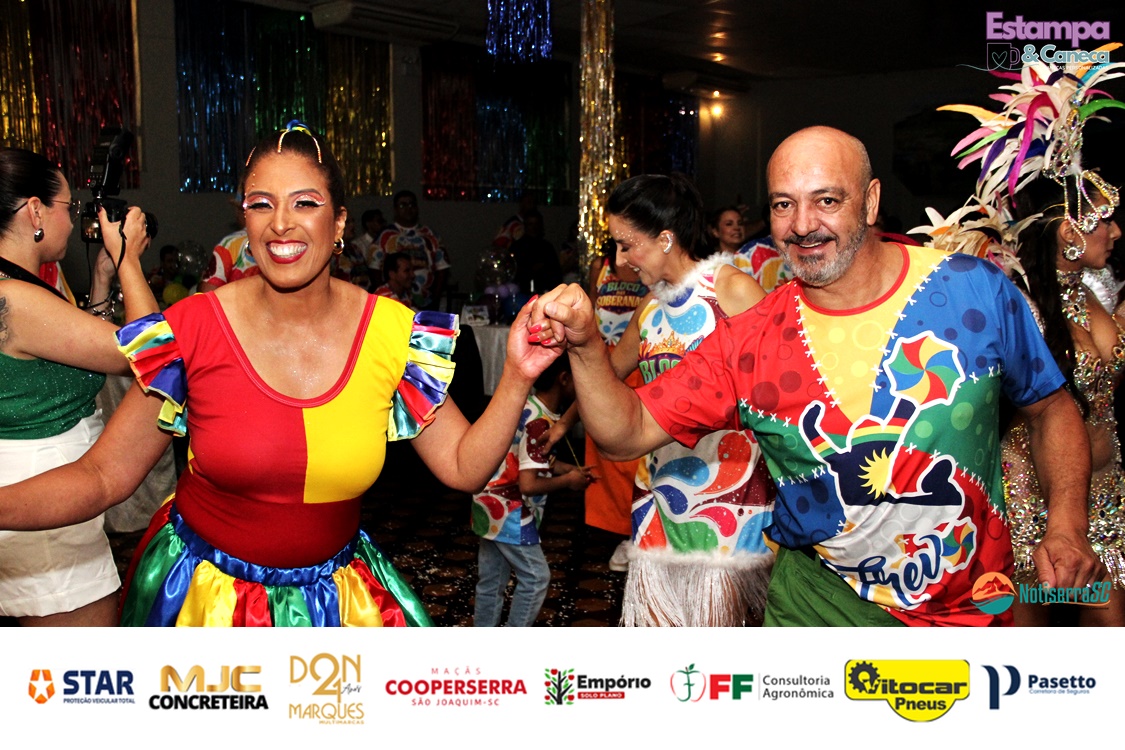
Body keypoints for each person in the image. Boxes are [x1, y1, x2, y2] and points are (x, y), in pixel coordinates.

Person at [529, 126, 1104, 626]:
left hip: (970, 612)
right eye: (783, 205)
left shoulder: (972, 291)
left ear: (871, 201)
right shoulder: (751, 338)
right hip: (815, 616)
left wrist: (1067, 523)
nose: (803, 225)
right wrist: (585, 345)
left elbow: (1050, 406)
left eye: (826, 200)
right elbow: (625, 430)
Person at [0, 123, 560, 627]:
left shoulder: (391, 331)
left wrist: (517, 374)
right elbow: (102, 476)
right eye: (261, 204)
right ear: (244, 220)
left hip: (337, 605)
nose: (281, 223)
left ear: (339, 221)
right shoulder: (193, 327)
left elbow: (463, 465)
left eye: (305, 202)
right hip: (203, 605)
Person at [915, 60, 1125, 626]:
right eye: (1104, 219)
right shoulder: (1018, 306)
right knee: (1031, 644)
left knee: (1110, 644)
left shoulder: (1100, 294)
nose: (1115, 231)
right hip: (1033, 500)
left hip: (1107, 496)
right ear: (1068, 231)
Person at [547, 173, 775, 626]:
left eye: (627, 245)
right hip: (659, 490)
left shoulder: (732, 291)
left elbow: (778, 392)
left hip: (728, 494)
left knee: (713, 648)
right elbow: (607, 374)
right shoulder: (651, 307)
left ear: (666, 238)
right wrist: (563, 421)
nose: (620, 260)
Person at [0, 146, 156, 626]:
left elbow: (68, 350)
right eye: (68, 207)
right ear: (35, 211)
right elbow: (151, 355)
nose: (73, 222)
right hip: (47, 511)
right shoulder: (16, 299)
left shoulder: (15, 288)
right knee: (81, 665)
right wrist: (128, 261)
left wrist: (102, 280)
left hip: (31, 487)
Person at [545, 238, 648, 571]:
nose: (622, 254)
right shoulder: (600, 268)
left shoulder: (650, 270)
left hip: (640, 365)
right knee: (606, 455)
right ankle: (622, 531)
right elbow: (589, 311)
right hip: (605, 362)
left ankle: (641, 531)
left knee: (637, 457)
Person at [471, 355, 589, 627]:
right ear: (564, 378)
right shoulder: (540, 422)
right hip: (509, 509)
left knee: (491, 581)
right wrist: (568, 481)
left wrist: (569, 469)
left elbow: (527, 459)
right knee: (536, 578)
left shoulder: (529, 407)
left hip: (486, 502)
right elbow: (528, 484)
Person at [371, 190, 450, 311]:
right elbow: (374, 268)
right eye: (403, 205)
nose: (408, 208)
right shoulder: (384, 236)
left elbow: (442, 268)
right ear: (395, 209)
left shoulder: (430, 235)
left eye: (411, 204)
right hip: (393, 301)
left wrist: (435, 299)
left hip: (426, 301)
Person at [511, 209, 562, 294]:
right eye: (530, 224)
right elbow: (514, 274)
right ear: (525, 226)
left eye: (536, 224)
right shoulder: (517, 247)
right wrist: (530, 270)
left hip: (546, 292)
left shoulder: (547, 247)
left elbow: (556, 273)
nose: (534, 227)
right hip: (522, 292)